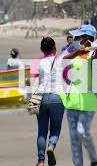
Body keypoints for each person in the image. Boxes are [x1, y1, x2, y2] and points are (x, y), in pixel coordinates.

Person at [60, 24, 97, 166]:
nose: (75, 38)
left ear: (87, 38)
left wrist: (95, 52)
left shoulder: (95, 52)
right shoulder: (72, 50)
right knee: (74, 137)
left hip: (89, 99)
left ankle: (94, 158)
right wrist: (77, 52)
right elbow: (63, 60)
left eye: (78, 36)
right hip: (71, 98)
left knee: (82, 131)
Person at [34, 37, 65, 166]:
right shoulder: (61, 61)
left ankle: (41, 161)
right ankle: (51, 146)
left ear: (41, 49)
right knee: (55, 129)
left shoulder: (37, 63)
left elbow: (33, 80)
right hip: (57, 97)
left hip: (41, 97)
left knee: (42, 130)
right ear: (55, 48)